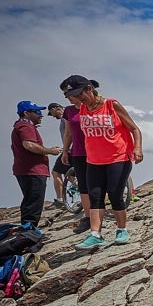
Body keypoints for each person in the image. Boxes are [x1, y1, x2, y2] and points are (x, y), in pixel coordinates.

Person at [60, 75, 143, 249]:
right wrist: (67, 150)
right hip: (94, 160)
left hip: (118, 157)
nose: (77, 98)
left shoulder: (112, 105)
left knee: (114, 193)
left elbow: (134, 128)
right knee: (95, 196)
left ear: (89, 89)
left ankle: (122, 230)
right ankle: (95, 234)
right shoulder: (82, 109)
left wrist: (137, 148)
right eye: (73, 95)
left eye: (79, 94)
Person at [12, 101, 62, 227]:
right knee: (34, 202)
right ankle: (29, 231)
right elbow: (28, 145)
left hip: (26, 170)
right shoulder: (25, 126)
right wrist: (49, 151)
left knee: (30, 201)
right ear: (26, 113)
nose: (41, 115)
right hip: (32, 171)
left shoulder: (22, 126)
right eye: (37, 112)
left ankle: (27, 229)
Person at [60, 91, 91, 233]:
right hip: (78, 152)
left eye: (70, 94)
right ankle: (88, 217)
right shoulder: (68, 110)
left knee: (100, 183)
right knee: (84, 186)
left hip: (96, 150)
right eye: (66, 96)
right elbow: (68, 133)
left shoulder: (92, 106)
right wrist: (65, 150)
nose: (68, 98)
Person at [46, 103, 68, 208]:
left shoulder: (65, 117)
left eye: (52, 113)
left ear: (55, 109)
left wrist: (66, 148)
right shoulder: (68, 115)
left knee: (56, 172)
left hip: (69, 150)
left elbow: (70, 132)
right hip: (71, 149)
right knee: (70, 174)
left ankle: (60, 200)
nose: (53, 116)